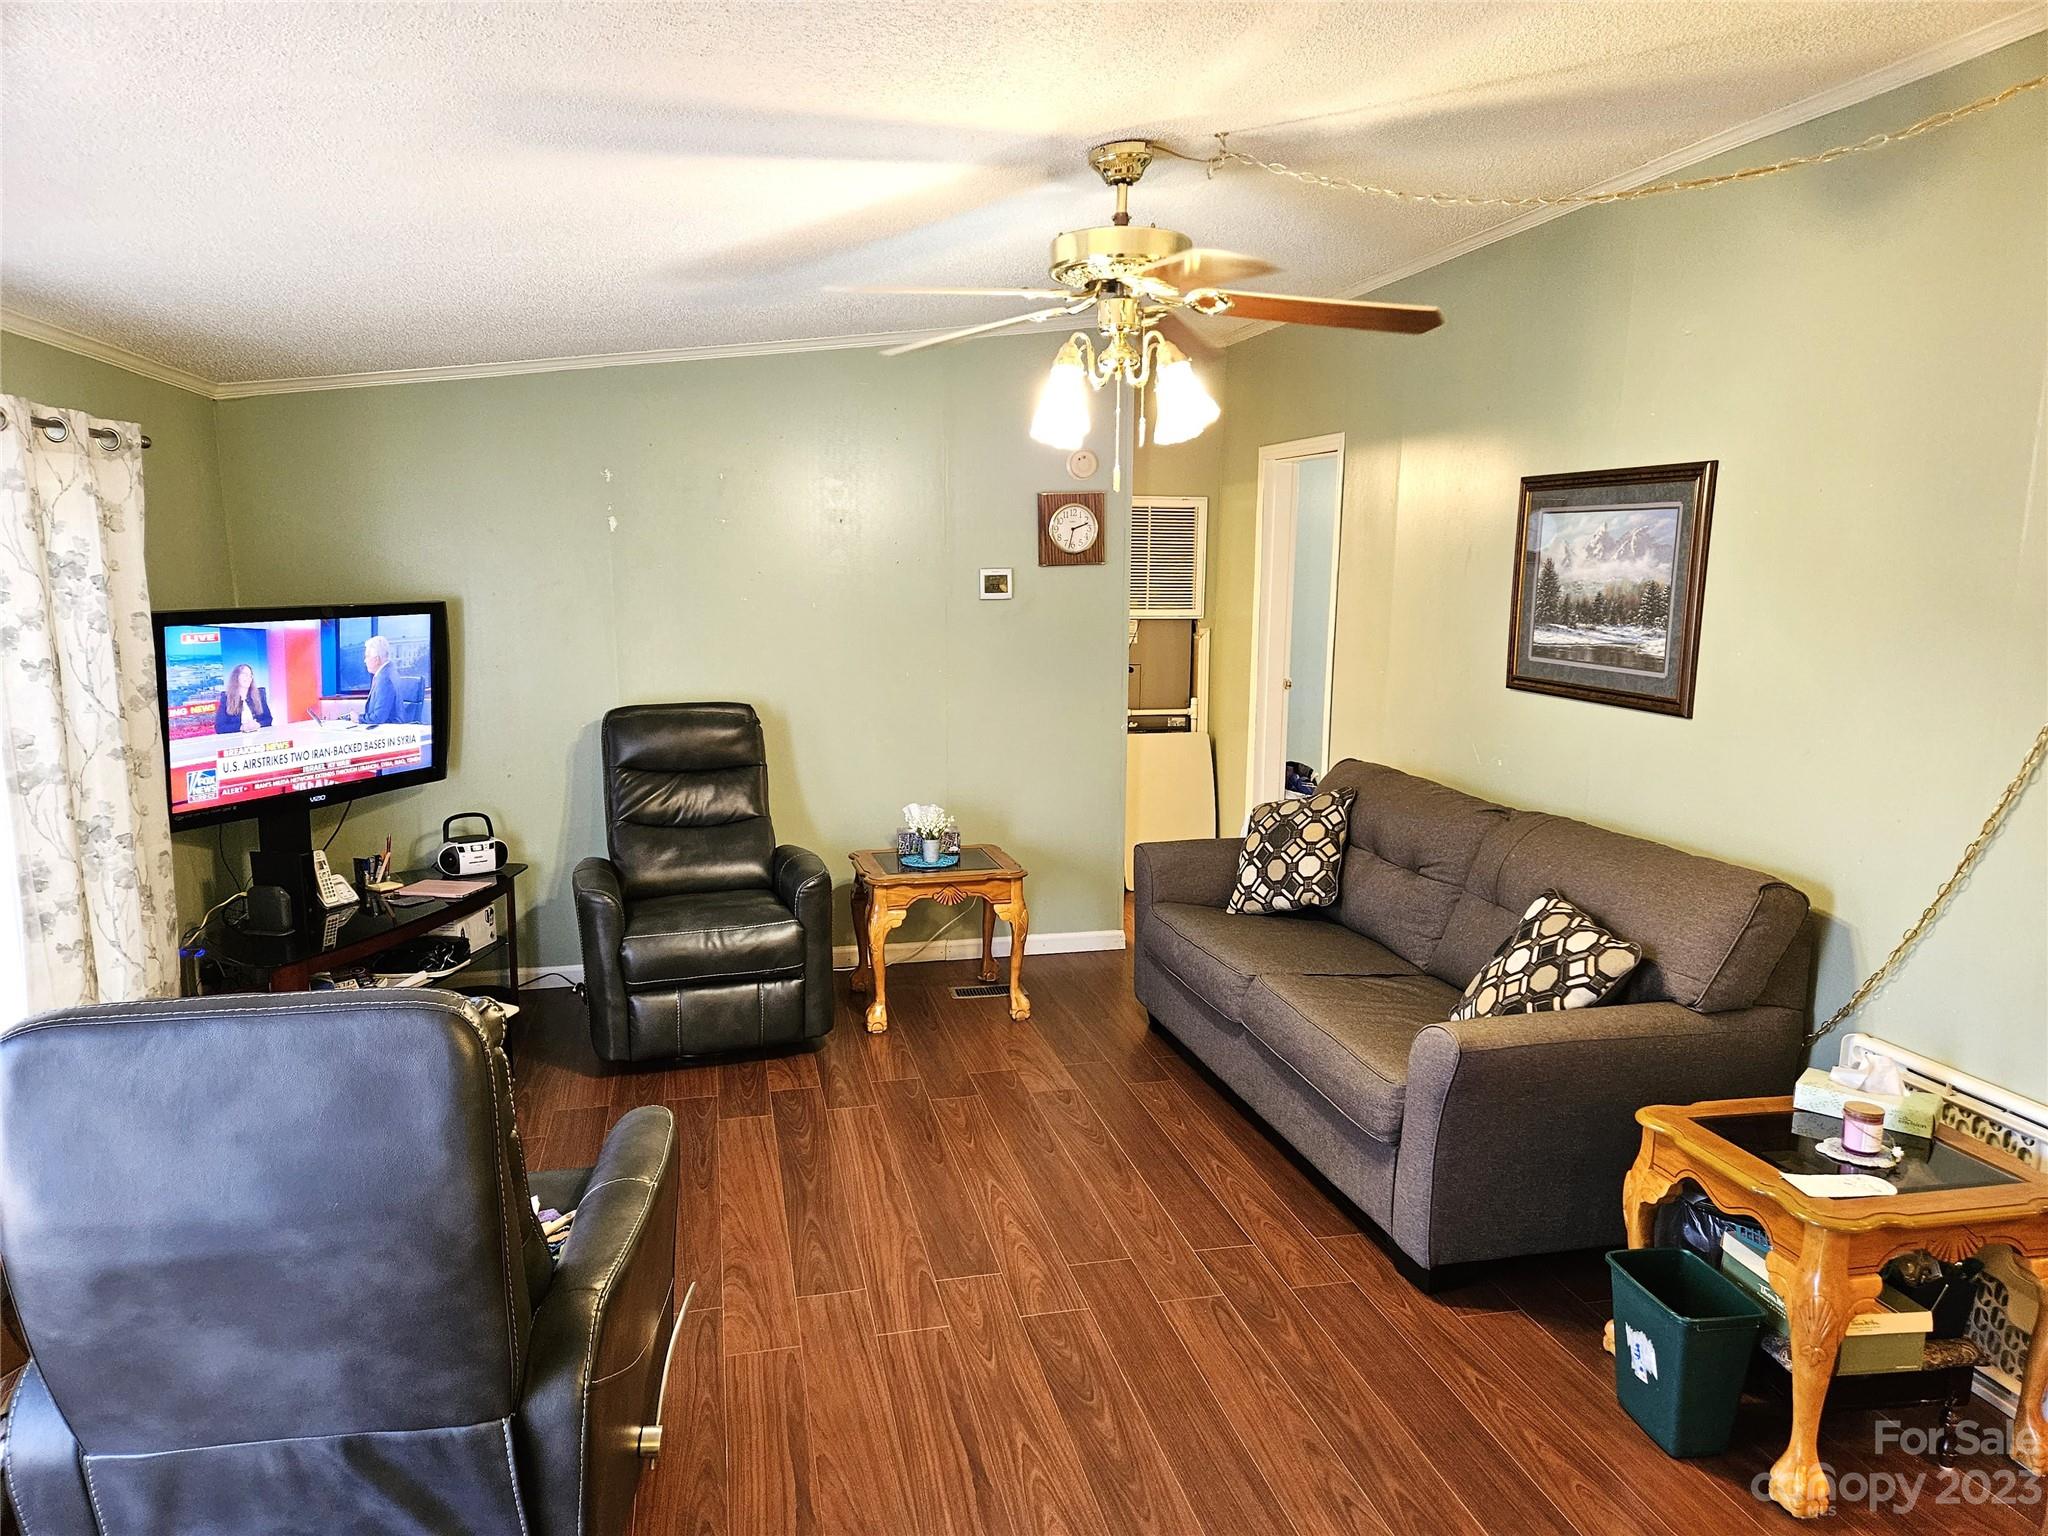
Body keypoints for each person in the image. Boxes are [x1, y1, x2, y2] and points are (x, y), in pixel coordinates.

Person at [213, 663, 272, 734]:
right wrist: (241, 727)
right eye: (245, 674)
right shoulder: (226, 698)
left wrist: (258, 725)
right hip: (236, 741)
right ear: (236, 677)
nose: (249, 678)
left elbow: (268, 719)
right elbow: (220, 727)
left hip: (259, 738)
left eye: (250, 675)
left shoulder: (259, 695)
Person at [360, 634, 400, 726]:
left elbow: (378, 718)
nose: (365, 661)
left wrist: (358, 718)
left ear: (377, 659)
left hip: (388, 733)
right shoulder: (389, 672)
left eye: (367, 656)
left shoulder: (384, 679)